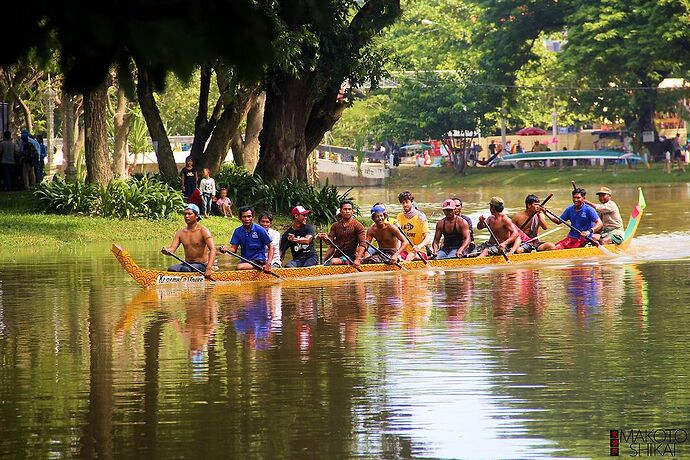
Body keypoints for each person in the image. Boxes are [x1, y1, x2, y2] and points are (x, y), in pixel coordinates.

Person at [161, 203, 216, 277]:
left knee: (185, 269)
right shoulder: (180, 233)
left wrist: (209, 268)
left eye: (190, 214)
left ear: (196, 216)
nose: (186, 216)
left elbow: (213, 249)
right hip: (187, 264)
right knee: (171, 269)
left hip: (202, 265)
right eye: (185, 214)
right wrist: (167, 251)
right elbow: (172, 249)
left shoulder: (203, 231)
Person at [220, 206, 274, 272]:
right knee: (240, 267)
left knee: (239, 267)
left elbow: (271, 246)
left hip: (259, 261)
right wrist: (226, 249)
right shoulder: (237, 231)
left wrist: (268, 263)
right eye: (244, 217)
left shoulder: (260, 229)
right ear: (240, 218)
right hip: (246, 261)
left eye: (249, 216)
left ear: (253, 217)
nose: (247, 219)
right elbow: (233, 249)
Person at [317, 200, 366, 267]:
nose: (347, 211)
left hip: (351, 257)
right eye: (345, 209)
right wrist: (324, 238)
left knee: (333, 262)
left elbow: (362, 244)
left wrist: (358, 259)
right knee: (323, 264)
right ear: (340, 211)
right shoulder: (335, 226)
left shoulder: (358, 226)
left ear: (352, 211)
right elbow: (330, 243)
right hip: (338, 255)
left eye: (349, 209)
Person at [395, 190, 431, 261]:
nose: (405, 205)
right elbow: (396, 236)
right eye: (403, 203)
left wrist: (419, 246)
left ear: (411, 202)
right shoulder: (400, 216)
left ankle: (405, 269)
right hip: (405, 252)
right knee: (396, 257)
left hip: (419, 252)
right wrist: (397, 252)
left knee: (411, 255)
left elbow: (428, 237)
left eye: (407, 202)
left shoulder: (421, 217)